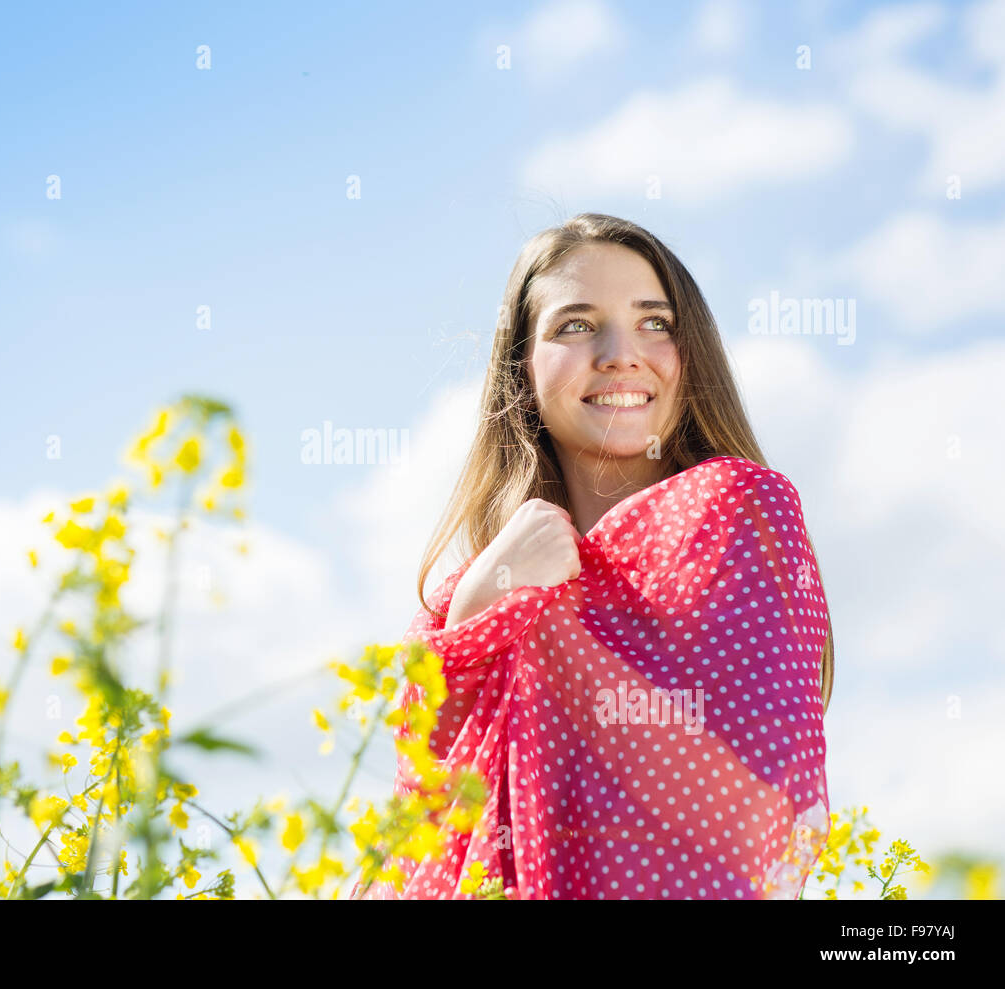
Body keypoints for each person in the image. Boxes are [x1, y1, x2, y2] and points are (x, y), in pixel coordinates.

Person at [350, 213, 834, 900]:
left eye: (655, 322)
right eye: (576, 325)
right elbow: (426, 821)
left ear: (689, 351)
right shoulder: (476, 585)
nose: (619, 353)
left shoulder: (743, 508)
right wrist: (481, 603)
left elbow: (758, 793)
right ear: (521, 364)